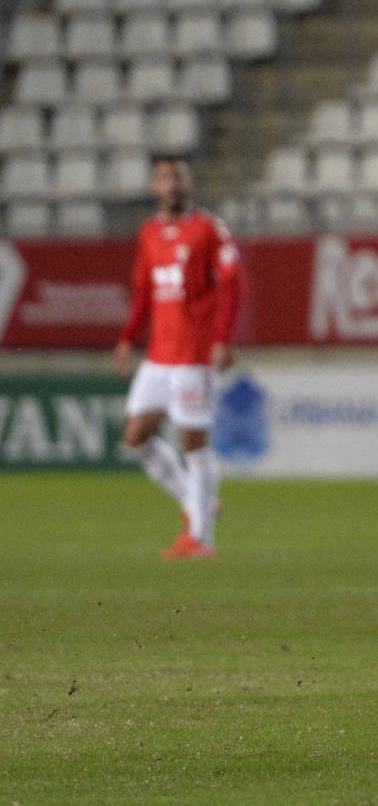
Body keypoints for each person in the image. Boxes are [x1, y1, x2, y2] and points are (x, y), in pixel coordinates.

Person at [114, 155, 240, 560]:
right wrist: (126, 339)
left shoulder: (208, 229)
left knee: (193, 442)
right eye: (165, 178)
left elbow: (232, 285)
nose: (172, 184)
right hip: (158, 356)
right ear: (154, 186)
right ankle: (195, 499)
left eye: (179, 177)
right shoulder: (149, 232)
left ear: (190, 185)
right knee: (136, 437)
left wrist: (222, 339)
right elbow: (143, 292)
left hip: (193, 354)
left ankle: (200, 538)